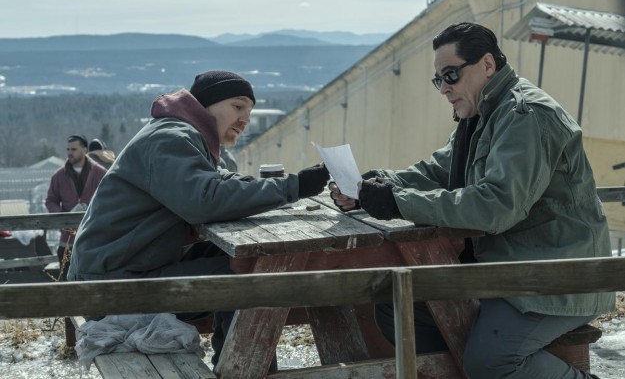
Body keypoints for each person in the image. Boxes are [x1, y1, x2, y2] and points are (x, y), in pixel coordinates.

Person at [329, 22, 614, 379]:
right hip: (507, 268)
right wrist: (377, 184)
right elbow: (438, 170)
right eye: (438, 80)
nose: (444, 88)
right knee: (396, 308)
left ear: (487, 65)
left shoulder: (526, 115)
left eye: (451, 75)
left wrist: (396, 201)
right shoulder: (483, 114)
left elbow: (495, 206)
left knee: (488, 362)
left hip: (557, 276)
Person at [67, 69, 330, 368]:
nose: (245, 119)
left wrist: (280, 186)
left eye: (249, 112)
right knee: (251, 280)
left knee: (243, 260)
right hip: (109, 286)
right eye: (238, 106)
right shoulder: (170, 138)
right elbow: (204, 199)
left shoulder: (183, 135)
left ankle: (231, 366)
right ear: (206, 104)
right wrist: (293, 187)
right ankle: (242, 371)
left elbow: (217, 180)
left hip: (127, 265)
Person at [45, 134, 107, 280]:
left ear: (85, 150)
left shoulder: (100, 173)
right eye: (68, 149)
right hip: (67, 240)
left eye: (74, 149)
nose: (70, 153)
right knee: (67, 282)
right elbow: (51, 201)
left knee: (95, 281)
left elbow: (110, 198)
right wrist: (62, 217)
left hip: (94, 238)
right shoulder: (59, 176)